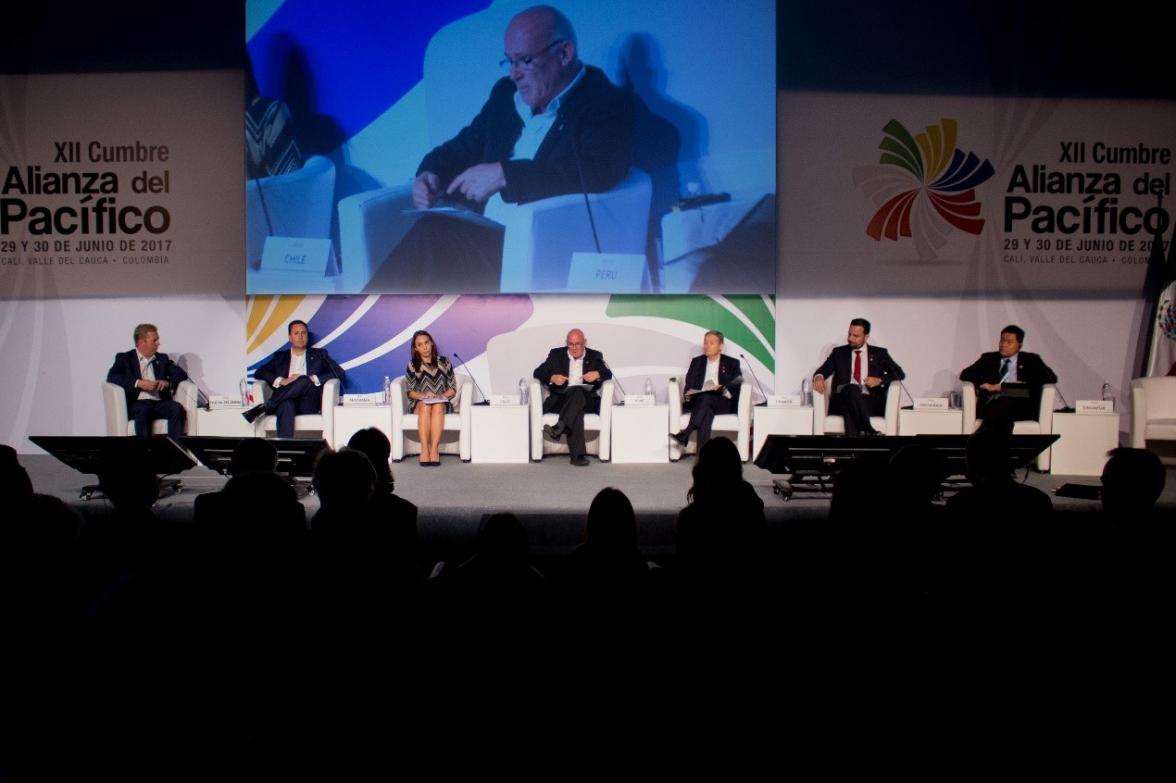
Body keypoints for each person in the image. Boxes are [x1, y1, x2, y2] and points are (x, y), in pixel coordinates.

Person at [364, 4, 636, 293]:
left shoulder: (605, 104)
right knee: (432, 238)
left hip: (535, 251)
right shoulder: (506, 95)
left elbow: (598, 170)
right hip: (482, 233)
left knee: (432, 236)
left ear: (564, 53)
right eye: (509, 61)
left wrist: (505, 174)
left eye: (524, 60)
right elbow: (463, 146)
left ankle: (361, 321)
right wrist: (429, 173)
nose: (514, 74)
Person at [244, 320, 345, 438]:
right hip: (285, 401)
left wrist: (312, 378)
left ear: (307, 336)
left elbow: (339, 372)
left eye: (303, 333)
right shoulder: (280, 357)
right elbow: (259, 372)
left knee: (304, 380)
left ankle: (266, 406)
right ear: (290, 337)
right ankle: (285, 450)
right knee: (286, 405)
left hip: (309, 402)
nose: (300, 336)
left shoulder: (319, 355)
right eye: (296, 333)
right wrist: (282, 380)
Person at [812, 318, 905, 437]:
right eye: (849, 334)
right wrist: (819, 377)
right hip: (842, 398)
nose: (851, 338)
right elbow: (821, 371)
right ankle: (868, 429)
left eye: (856, 336)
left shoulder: (880, 354)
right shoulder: (839, 353)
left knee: (849, 408)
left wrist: (879, 380)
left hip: (869, 402)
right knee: (851, 389)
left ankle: (853, 451)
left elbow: (899, 373)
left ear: (866, 337)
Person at [533, 328, 612, 465]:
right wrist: (552, 377)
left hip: (587, 400)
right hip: (561, 400)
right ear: (567, 343)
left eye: (578, 344)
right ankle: (577, 456)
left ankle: (559, 427)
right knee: (576, 408)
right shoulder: (556, 355)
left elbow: (608, 373)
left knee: (578, 392)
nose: (574, 348)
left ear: (584, 342)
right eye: (571, 344)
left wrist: (597, 374)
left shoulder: (595, 356)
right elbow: (538, 372)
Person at [959, 324, 1057, 435]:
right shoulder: (988, 358)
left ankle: (980, 438)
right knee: (1003, 414)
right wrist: (988, 385)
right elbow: (966, 374)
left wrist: (1014, 386)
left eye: (1009, 342)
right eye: (1002, 340)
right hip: (991, 402)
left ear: (1019, 344)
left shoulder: (1031, 360)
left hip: (1020, 405)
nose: (1003, 345)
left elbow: (1051, 378)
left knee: (1007, 402)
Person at [105, 323, 189, 437]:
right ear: (142, 342)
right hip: (137, 403)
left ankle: (177, 450)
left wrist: (167, 382)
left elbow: (180, 374)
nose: (158, 343)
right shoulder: (125, 358)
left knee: (176, 408)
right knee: (143, 409)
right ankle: (146, 452)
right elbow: (112, 376)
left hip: (158, 402)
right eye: (154, 340)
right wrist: (138, 383)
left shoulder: (162, 359)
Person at [672, 330, 742, 450]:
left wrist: (723, 389)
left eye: (711, 343)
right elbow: (689, 384)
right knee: (706, 410)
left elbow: (737, 382)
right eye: (705, 343)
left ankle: (686, 434)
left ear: (721, 346)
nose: (707, 346)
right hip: (700, 401)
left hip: (723, 402)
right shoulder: (697, 362)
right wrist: (689, 392)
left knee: (707, 399)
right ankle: (702, 453)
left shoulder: (732, 363)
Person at [403, 330, 457, 466]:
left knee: (437, 405)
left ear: (431, 343)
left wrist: (440, 396)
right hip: (420, 403)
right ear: (415, 348)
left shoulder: (444, 362)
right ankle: (424, 450)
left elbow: (453, 388)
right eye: (420, 345)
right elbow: (410, 392)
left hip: (442, 402)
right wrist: (424, 395)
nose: (424, 347)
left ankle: (434, 450)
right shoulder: (412, 364)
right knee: (427, 406)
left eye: (426, 343)